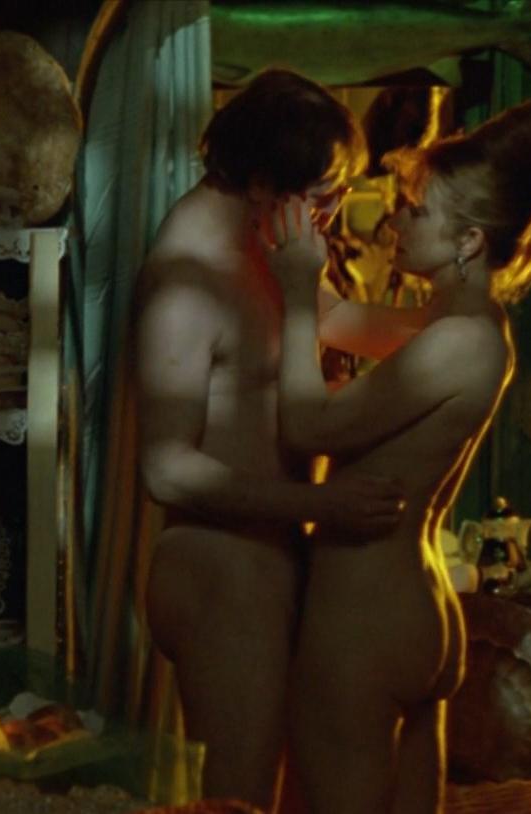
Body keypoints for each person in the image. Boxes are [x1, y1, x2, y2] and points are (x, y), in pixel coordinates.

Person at [265, 100, 531, 812]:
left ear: (469, 240)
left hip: (362, 618)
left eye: (416, 211)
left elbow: (308, 427)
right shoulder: (463, 323)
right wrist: (302, 247)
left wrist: (292, 297)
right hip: (409, 610)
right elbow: (340, 320)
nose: (395, 223)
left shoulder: (457, 342)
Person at [133, 68, 431, 809]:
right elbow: (165, 469)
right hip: (220, 567)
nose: (332, 214)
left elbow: (338, 322)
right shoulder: (186, 280)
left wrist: (465, 323)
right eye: (323, 194)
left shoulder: (268, 240)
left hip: (271, 553)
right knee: (241, 801)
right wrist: (319, 504)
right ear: (262, 182)